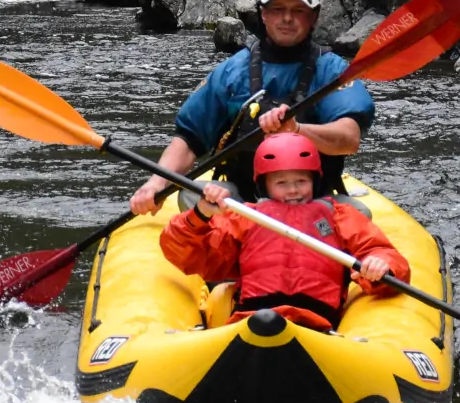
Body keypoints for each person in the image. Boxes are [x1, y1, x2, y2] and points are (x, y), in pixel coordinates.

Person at [126, 0, 373, 216]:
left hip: (312, 205)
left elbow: (349, 138)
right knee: (192, 194)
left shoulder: (332, 70)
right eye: (277, 9)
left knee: (358, 214)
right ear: (263, 13)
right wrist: (156, 183)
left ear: (314, 16)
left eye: (298, 10)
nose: (287, 18)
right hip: (242, 207)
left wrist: (298, 130)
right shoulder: (233, 71)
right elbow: (189, 140)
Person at [158, 132, 409, 332]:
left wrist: (381, 265)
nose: (293, 191)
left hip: (318, 326)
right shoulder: (244, 216)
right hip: (251, 322)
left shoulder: (339, 215)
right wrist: (200, 214)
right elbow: (186, 253)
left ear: (314, 181)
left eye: (301, 181)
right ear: (265, 185)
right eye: (281, 183)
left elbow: (381, 252)